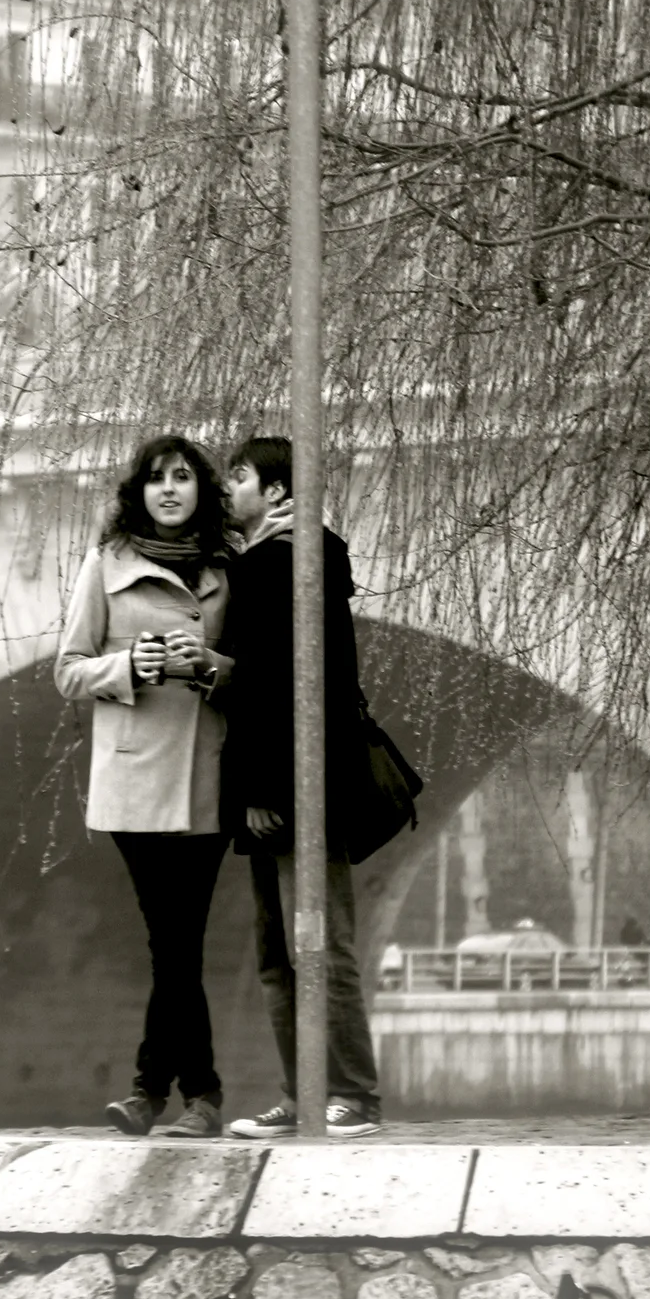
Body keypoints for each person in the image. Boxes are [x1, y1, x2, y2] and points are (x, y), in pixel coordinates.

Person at [55, 433, 235, 1138]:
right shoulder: (105, 564)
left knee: (177, 942)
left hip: (204, 775)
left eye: (183, 478)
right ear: (139, 490)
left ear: (200, 491)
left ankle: (159, 1094)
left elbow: (255, 670)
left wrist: (209, 662)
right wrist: (130, 664)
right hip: (133, 775)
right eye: (157, 478)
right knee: (173, 941)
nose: (169, 489)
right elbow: (69, 669)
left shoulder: (230, 567)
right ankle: (191, 1095)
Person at [214, 435, 384, 1139]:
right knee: (280, 953)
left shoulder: (279, 565)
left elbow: (279, 686)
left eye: (241, 476)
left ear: (278, 492)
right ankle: (305, 1091)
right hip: (289, 783)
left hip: (289, 787)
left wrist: (261, 789)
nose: (227, 487)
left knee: (317, 945)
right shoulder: (285, 560)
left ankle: (353, 1093)